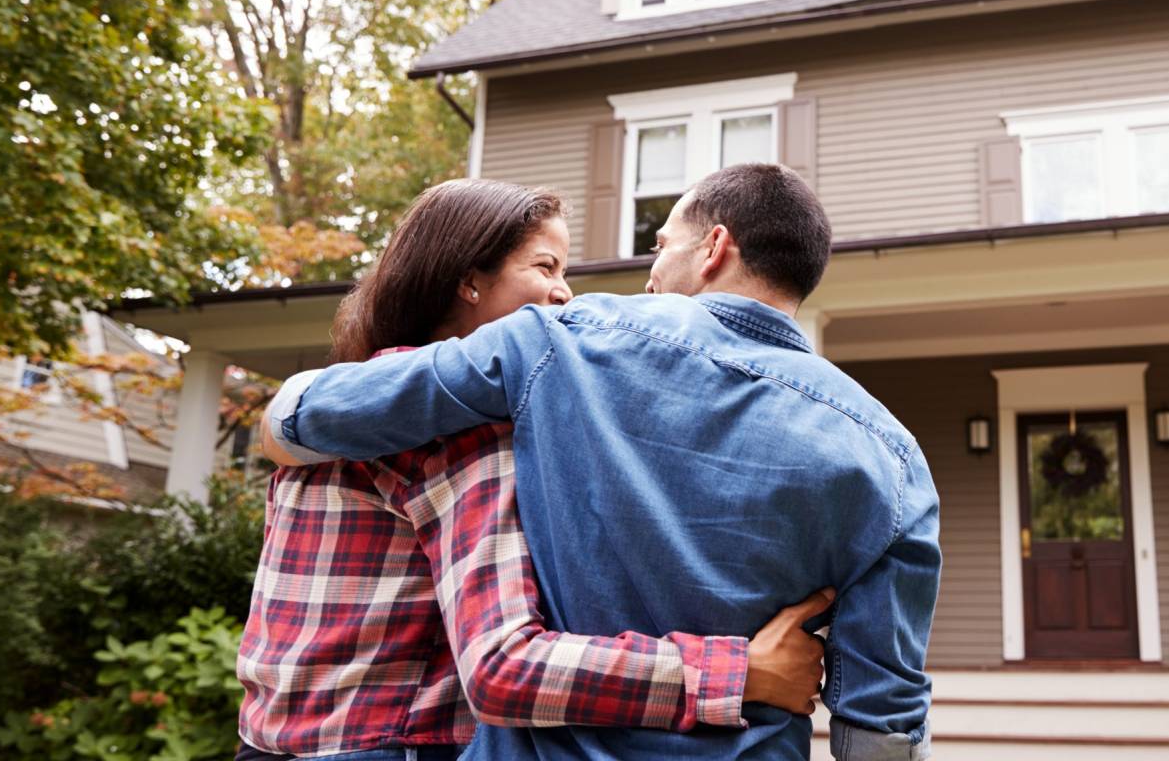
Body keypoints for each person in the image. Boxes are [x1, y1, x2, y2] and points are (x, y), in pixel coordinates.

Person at [264, 164, 939, 760]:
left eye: (661, 245)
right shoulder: (893, 458)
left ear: (714, 249)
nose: (649, 272)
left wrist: (282, 420)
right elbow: (883, 712)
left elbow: (336, 408)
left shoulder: (562, 344)